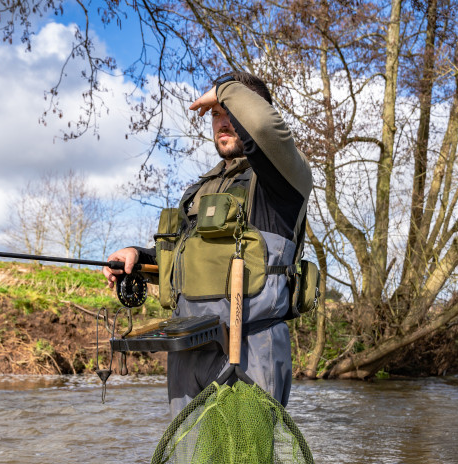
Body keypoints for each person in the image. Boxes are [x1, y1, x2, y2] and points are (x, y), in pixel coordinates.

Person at [104, 72, 313, 417]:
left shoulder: (283, 179)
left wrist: (226, 90)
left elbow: (263, 127)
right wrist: (136, 256)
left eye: (231, 112)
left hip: (250, 349)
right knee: (187, 453)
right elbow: (185, 258)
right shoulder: (200, 190)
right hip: (188, 349)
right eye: (216, 114)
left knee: (243, 455)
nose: (222, 122)